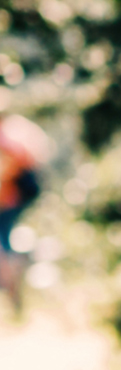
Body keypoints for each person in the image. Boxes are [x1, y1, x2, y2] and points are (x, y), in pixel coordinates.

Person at [0, 114, 48, 325]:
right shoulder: (15, 128)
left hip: (12, 196)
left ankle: (11, 289)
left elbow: (12, 165)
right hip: (18, 195)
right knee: (5, 241)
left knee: (3, 244)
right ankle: (13, 293)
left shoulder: (7, 137)